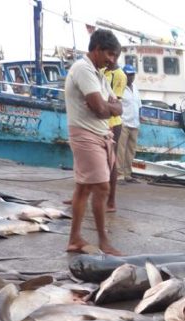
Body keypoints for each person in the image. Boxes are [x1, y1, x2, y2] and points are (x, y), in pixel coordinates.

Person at [64, 28, 123, 256]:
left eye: (115, 56)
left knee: (83, 188)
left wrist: (106, 106)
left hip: (100, 135)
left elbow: (117, 107)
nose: (112, 60)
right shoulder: (84, 69)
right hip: (86, 134)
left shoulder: (99, 74)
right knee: (102, 187)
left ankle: (75, 238)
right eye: (110, 54)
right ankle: (103, 241)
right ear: (97, 49)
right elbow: (100, 109)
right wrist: (106, 106)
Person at [103, 62, 127, 212]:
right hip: (100, 121)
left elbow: (115, 103)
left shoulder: (119, 75)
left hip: (112, 123)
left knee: (111, 161)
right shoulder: (101, 71)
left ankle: (111, 200)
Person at [116, 64, 141, 184]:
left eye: (132, 74)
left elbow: (138, 105)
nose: (130, 77)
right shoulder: (120, 88)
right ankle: (119, 175)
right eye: (128, 75)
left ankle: (127, 174)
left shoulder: (135, 88)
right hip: (124, 123)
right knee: (120, 151)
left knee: (131, 151)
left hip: (135, 124)